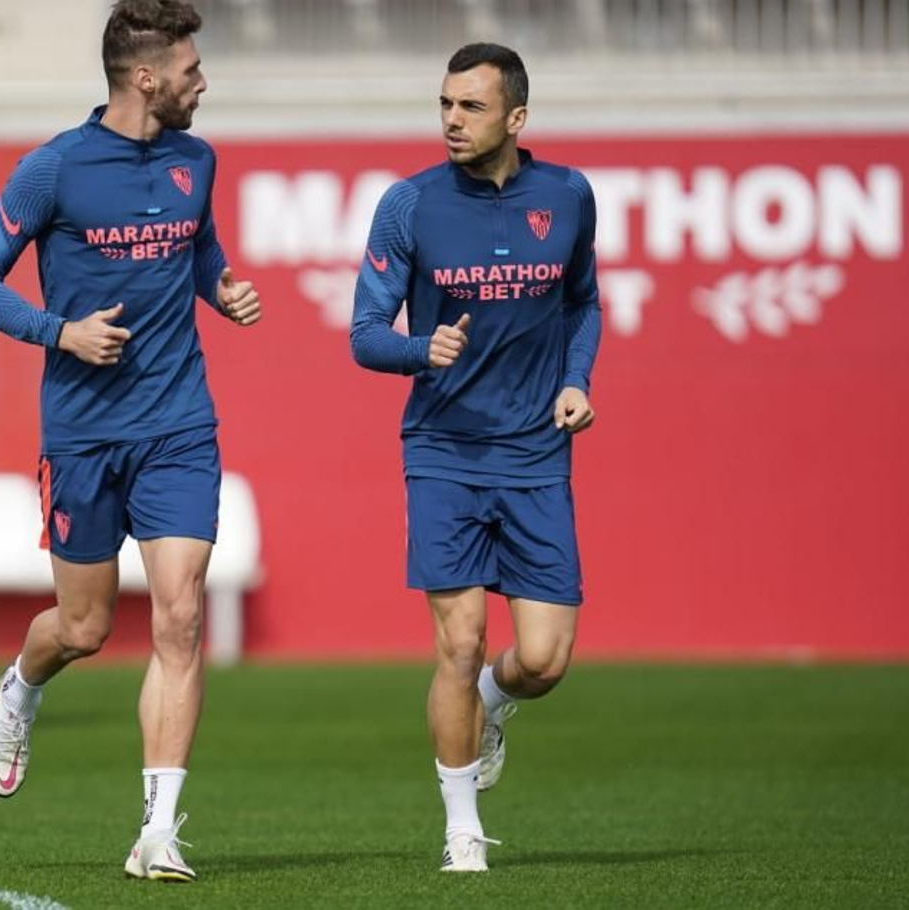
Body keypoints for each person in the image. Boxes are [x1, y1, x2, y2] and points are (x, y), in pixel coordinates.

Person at [0, 0, 261, 883]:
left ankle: (159, 830)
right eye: (192, 69)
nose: (204, 82)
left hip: (179, 426)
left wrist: (224, 289)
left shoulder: (196, 161)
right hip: (83, 436)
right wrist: (63, 333)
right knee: (84, 627)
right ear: (145, 77)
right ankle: (22, 684)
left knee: (181, 615)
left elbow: (198, 249)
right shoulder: (54, 168)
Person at [349, 43, 602, 873]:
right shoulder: (408, 205)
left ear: (516, 118)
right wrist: (423, 350)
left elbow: (583, 301)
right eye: (445, 105)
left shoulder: (567, 196)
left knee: (542, 660)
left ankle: (494, 701)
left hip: (536, 453)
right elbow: (364, 335)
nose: (452, 120)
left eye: (472, 107)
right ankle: (462, 827)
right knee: (456, 645)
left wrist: (574, 380)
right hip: (443, 452)